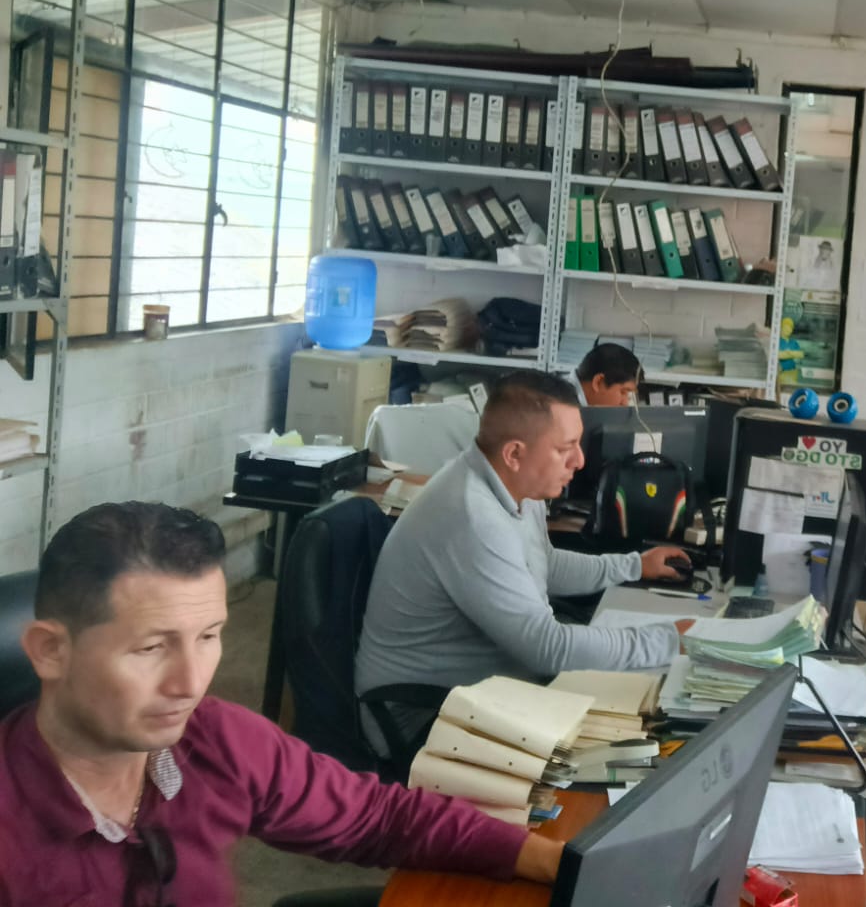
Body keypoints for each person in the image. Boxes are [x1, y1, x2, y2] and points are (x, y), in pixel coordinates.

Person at [0, 500, 563, 905]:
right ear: (51, 651)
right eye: (151, 648)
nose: (190, 683)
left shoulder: (215, 739)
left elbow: (377, 818)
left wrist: (557, 863)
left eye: (209, 636)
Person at [357, 372, 687, 747]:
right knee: (631, 741)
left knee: (640, 708)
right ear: (514, 454)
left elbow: (544, 565)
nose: (580, 461)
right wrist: (666, 640)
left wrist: (635, 565)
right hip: (420, 714)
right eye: (566, 448)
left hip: (483, 687)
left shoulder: (516, 489)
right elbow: (547, 647)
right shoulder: (472, 516)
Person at [572, 343, 642, 407]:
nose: (625, 403)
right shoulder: (568, 407)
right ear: (598, 382)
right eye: (623, 392)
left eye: (628, 396)